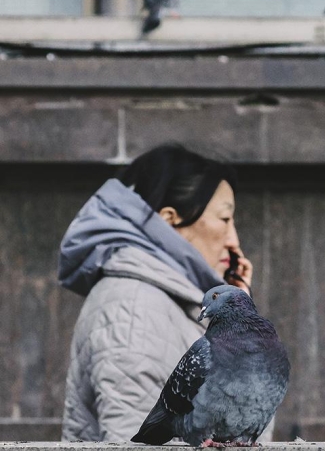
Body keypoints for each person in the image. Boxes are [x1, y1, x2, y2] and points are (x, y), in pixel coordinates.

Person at [58, 144, 270, 442]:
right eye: (224, 219)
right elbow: (139, 443)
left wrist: (240, 306)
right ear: (170, 220)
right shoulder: (134, 307)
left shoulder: (164, 297)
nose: (234, 239)